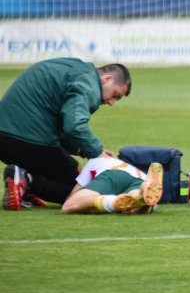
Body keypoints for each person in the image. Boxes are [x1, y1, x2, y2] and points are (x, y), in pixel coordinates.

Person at [0, 58, 131, 210]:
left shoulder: (74, 68)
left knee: (65, 169)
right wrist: (97, 152)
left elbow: (58, 125)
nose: (111, 103)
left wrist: (81, 149)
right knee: (85, 188)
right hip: (26, 139)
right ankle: (27, 181)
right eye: (115, 95)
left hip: (8, 137)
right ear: (107, 79)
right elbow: (74, 125)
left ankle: (24, 189)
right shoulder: (88, 83)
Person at [61, 158, 163, 215]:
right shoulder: (125, 165)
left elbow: (73, 195)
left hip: (113, 175)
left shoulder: (94, 161)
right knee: (132, 207)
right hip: (141, 180)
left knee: (69, 205)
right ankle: (143, 193)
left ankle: (114, 202)